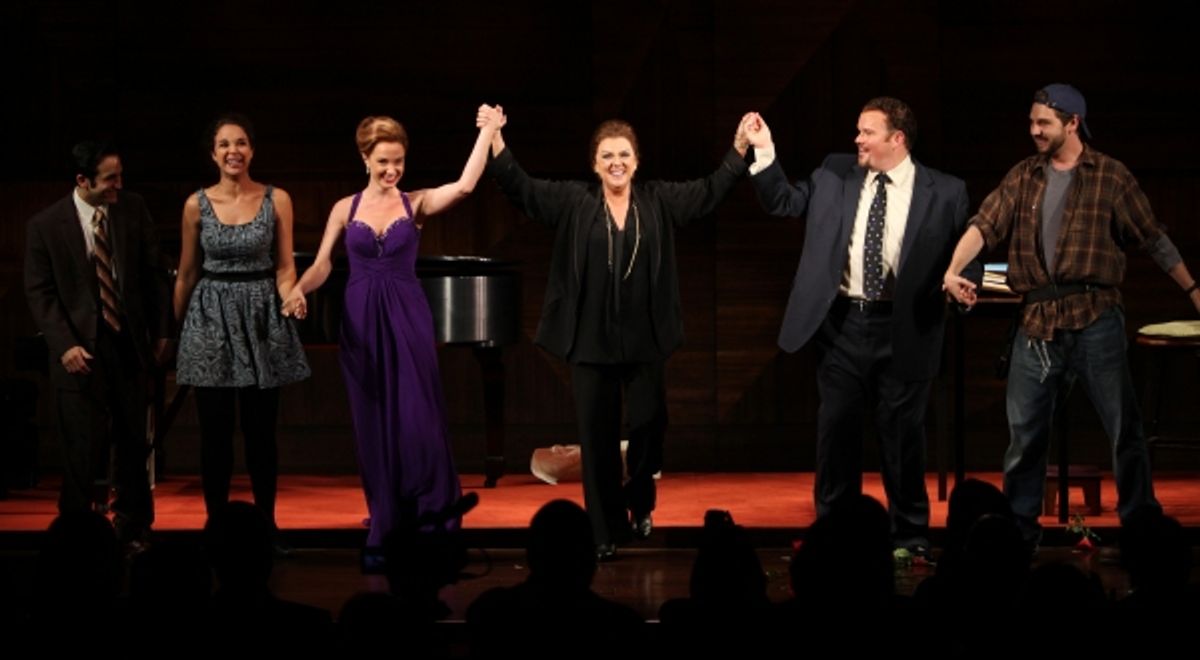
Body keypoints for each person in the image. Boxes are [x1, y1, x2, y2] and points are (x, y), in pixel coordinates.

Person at [943, 83, 1200, 548]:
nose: (1034, 131)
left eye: (1043, 122)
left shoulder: (1110, 176)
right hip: (1038, 321)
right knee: (1024, 439)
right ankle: (1017, 539)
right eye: (1031, 122)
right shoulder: (1024, 176)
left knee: (1125, 431)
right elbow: (984, 225)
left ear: (1072, 123)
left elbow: (1153, 238)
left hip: (1095, 316)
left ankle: (1142, 532)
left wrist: (1194, 290)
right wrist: (952, 270)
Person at [486, 111, 750, 560]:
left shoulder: (658, 200)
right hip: (590, 341)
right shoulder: (574, 201)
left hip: (645, 338)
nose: (616, 162)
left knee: (648, 427)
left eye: (623, 155)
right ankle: (604, 531)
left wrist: (740, 146)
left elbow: (708, 193)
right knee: (597, 439)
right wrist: (494, 137)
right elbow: (523, 188)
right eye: (607, 155)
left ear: (636, 161)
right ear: (594, 164)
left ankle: (640, 500)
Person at [743, 98, 976, 559]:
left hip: (906, 327)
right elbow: (783, 202)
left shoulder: (946, 191)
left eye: (867, 132)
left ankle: (909, 535)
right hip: (843, 326)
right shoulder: (835, 172)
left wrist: (957, 279)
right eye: (857, 131)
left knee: (903, 437)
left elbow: (962, 251)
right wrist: (765, 151)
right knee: (836, 435)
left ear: (897, 139)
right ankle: (835, 536)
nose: (857, 140)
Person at [282, 108, 502, 557]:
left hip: (407, 317)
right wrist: (298, 290)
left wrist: (489, 132)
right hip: (361, 320)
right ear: (365, 158)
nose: (391, 170)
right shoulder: (346, 208)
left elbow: (464, 186)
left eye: (398, 161)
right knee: (373, 419)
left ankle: (430, 510)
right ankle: (387, 511)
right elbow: (323, 264)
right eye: (383, 161)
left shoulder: (414, 202)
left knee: (417, 416)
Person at [24, 139, 172, 549]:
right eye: (110, 178)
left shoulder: (131, 209)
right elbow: (40, 292)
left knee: (131, 443)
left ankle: (134, 527)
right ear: (82, 180)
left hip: (127, 345)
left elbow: (154, 274)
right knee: (81, 447)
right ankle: (76, 537)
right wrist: (64, 345)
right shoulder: (45, 225)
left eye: (120, 176)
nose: (118, 185)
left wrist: (162, 331)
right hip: (79, 352)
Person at [174, 114, 311, 537]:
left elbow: (285, 268)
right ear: (213, 153)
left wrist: (293, 294)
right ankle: (216, 527)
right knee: (214, 436)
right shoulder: (196, 204)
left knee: (260, 435)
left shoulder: (278, 199)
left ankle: (266, 526)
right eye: (225, 144)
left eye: (242, 143)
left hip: (260, 320)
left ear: (252, 150)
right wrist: (175, 336)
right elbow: (186, 273)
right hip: (210, 320)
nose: (234, 150)